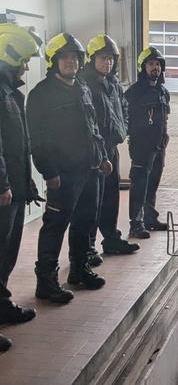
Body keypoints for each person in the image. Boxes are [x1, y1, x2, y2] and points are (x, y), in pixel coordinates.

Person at [27, 33, 112, 303]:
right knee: (55, 226)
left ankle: (79, 269)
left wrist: (102, 157)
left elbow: (93, 128)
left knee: (85, 222)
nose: (71, 62)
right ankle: (46, 282)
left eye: (75, 58)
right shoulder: (41, 94)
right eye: (65, 58)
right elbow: (36, 139)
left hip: (90, 169)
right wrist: (48, 172)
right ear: (54, 61)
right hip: (63, 174)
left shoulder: (83, 88)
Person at [0, 26, 42, 351]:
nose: (26, 67)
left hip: (13, 188)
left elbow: (19, 144)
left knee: (6, 256)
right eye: (24, 61)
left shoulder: (10, 92)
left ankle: (1, 304)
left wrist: (25, 181)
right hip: (2, 192)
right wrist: (2, 184)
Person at [82, 35, 139, 265]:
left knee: (110, 198)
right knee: (91, 203)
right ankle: (87, 247)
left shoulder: (113, 83)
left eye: (111, 59)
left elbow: (123, 107)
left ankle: (111, 240)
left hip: (111, 148)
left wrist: (122, 128)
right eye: (103, 58)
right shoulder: (84, 83)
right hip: (93, 152)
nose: (108, 63)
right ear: (92, 58)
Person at [125, 47, 170, 239]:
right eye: (151, 64)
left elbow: (164, 117)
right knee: (139, 185)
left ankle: (150, 218)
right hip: (141, 147)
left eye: (158, 64)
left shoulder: (162, 91)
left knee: (152, 183)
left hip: (158, 146)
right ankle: (136, 224)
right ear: (142, 67)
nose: (155, 68)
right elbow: (125, 118)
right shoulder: (133, 92)